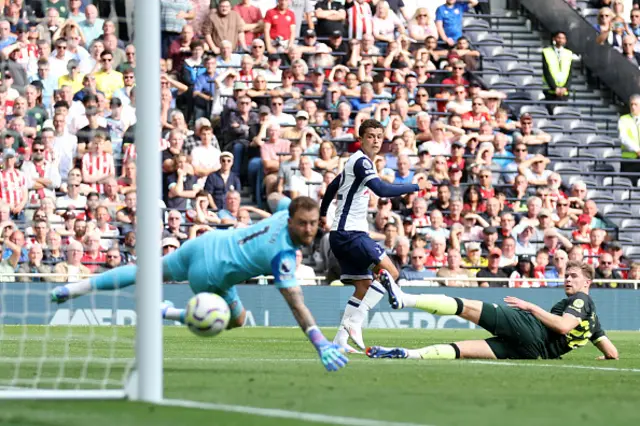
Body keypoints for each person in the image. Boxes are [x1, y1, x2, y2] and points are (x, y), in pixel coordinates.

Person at [50, 197, 348, 372]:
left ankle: (72, 289)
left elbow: (275, 199)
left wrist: (278, 202)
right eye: (303, 223)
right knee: (231, 320)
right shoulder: (282, 255)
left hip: (205, 242)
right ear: (292, 221)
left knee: (145, 272)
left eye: (312, 222)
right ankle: (169, 313)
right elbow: (296, 304)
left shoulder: (285, 211)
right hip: (212, 275)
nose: (309, 228)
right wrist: (320, 343)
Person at [320, 119, 429, 353]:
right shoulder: (361, 162)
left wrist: (323, 214)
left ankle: (340, 339)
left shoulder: (356, 163)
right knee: (392, 272)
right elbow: (381, 190)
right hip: (350, 233)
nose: (376, 140)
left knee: (364, 286)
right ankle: (356, 323)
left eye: (380, 136)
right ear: (360, 138)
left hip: (341, 233)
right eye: (371, 136)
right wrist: (415, 186)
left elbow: (332, 187)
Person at [370, 261, 619, 361]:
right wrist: (606, 357)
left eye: (573, 276)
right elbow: (612, 352)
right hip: (534, 353)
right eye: (566, 275)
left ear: (587, 283)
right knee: (463, 350)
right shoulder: (593, 321)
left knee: (465, 306)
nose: (567, 279)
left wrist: (531, 307)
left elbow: (564, 325)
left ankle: (405, 299)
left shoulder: (580, 300)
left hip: (531, 330)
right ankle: (410, 355)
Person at [542, 31, 572, 112]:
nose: (560, 40)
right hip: (550, 90)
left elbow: (570, 73)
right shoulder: (546, 52)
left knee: (562, 113)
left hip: (563, 91)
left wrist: (566, 87)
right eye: (559, 37)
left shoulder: (568, 53)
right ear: (554, 39)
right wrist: (555, 88)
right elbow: (546, 71)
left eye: (563, 38)